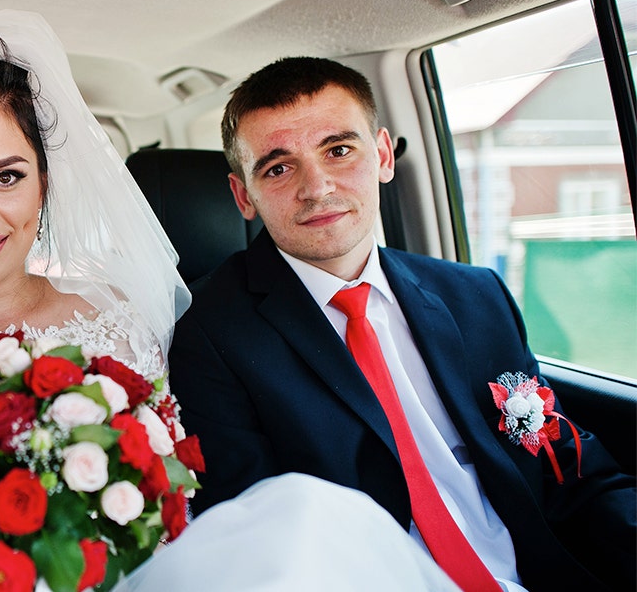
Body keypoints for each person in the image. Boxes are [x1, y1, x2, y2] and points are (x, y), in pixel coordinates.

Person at [0, 12, 457, 591]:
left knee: (308, 515)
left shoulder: (111, 316)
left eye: (6, 175)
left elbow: (173, 493)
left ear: (45, 183)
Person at [169, 56, 636, 591]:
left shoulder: (476, 294)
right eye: (278, 167)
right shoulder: (207, 335)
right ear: (243, 196)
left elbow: (572, 471)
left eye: (339, 150)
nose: (317, 188)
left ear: (384, 154)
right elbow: (260, 544)